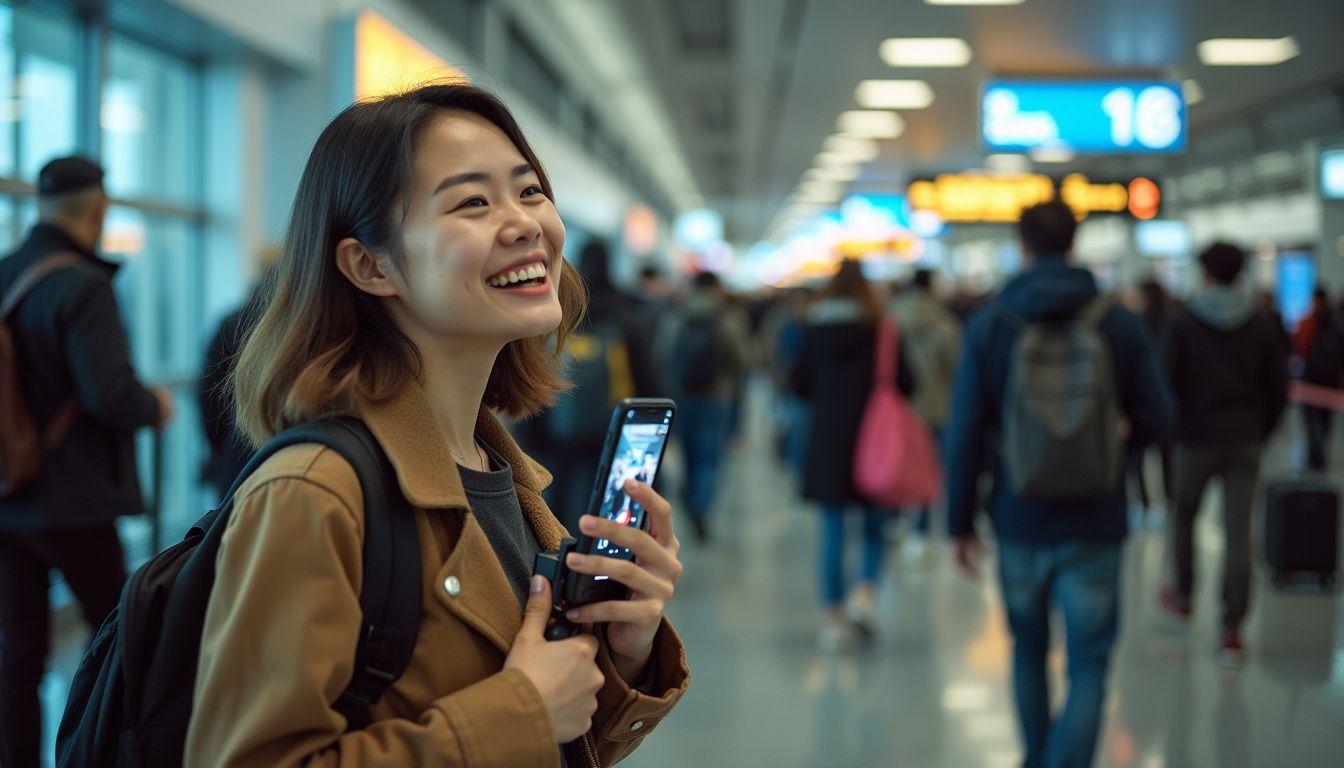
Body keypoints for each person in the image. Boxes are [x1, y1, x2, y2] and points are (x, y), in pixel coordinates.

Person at [189, 83, 688, 766]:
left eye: (530, 192)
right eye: (472, 202)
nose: (523, 224)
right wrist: (519, 714)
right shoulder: (314, 493)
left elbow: (553, 737)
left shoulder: (497, 470)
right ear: (370, 265)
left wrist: (626, 650)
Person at [944, 201, 1172, 768]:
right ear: (1074, 244)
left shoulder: (993, 322)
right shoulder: (1116, 321)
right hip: (1096, 517)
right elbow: (1161, 416)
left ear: (1022, 246)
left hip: (1019, 515)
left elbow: (965, 430)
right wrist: (1118, 445)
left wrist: (959, 522)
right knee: (1089, 664)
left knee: (1027, 650)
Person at [0, 156, 175, 768]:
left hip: (7, 494)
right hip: (70, 500)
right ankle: (106, 756)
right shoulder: (83, 285)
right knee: (121, 638)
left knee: (17, 655)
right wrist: (153, 405)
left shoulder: (6, 272)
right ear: (99, 209)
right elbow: (108, 394)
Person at [1160, 242, 1288, 667]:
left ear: (1206, 274)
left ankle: (1184, 595)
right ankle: (1232, 630)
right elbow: (1277, 387)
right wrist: (1260, 430)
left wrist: (1176, 426)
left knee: (1183, 516)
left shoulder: (1184, 322)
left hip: (1195, 440)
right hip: (1244, 439)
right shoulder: (1261, 323)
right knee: (1238, 532)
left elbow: (1167, 381)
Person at [791, 259, 914, 652]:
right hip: (875, 443)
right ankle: (864, 595)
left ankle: (833, 617)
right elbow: (908, 382)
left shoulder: (814, 330)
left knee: (833, 528)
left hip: (829, 439)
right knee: (875, 526)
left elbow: (798, 383)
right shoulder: (882, 330)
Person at [654, 271, 749, 543]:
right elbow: (741, 360)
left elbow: (662, 355)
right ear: (716, 288)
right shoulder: (727, 317)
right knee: (710, 457)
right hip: (716, 398)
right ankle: (699, 503)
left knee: (687, 454)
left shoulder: (676, 315)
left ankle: (689, 492)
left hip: (681, 397)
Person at [887, 268, 961, 562]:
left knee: (893, 464)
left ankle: (892, 517)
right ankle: (920, 533)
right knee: (927, 471)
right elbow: (955, 368)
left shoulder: (888, 319)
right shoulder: (944, 323)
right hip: (935, 408)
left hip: (897, 409)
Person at [198, 244, 280, 497]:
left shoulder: (231, 322)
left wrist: (220, 447)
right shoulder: (301, 325)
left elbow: (208, 395)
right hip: (283, 453)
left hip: (235, 454)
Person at [1127, 278, 1177, 526]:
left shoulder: (1135, 326)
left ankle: (1146, 502)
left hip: (1144, 402)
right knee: (1163, 456)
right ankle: (1164, 501)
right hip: (1165, 400)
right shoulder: (1171, 322)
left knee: (1140, 458)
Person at [1293, 288, 1343, 470]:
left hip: (1312, 379)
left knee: (1313, 422)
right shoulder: (1335, 323)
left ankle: (1317, 456)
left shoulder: (1310, 322)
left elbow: (1300, 348)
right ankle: (1319, 455)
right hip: (1329, 382)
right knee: (1323, 423)